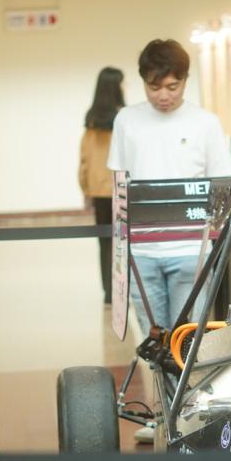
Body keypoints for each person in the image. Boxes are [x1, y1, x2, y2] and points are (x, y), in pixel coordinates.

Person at [107, 39, 231, 442]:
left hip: (190, 251)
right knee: (155, 340)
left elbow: (223, 183)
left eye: (172, 86)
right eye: (154, 87)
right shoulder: (127, 120)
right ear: (143, 82)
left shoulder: (205, 123)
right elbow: (119, 184)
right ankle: (163, 419)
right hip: (142, 251)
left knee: (188, 339)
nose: (163, 95)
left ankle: (188, 419)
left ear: (185, 81)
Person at [79, 66, 125, 304]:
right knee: (122, 241)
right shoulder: (125, 118)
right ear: (116, 86)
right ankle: (121, 289)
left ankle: (108, 292)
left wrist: (86, 190)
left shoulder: (92, 120)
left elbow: (85, 159)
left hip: (99, 191)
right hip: (122, 189)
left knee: (105, 241)